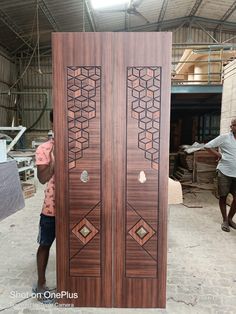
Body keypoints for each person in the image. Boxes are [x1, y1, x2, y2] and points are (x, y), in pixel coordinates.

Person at [33, 110, 55, 302]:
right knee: (45, 245)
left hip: (74, 208)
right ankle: (41, 284)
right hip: (51, 208)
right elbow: (42, 179)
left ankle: (73, 283)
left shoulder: (79, 147)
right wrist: (54, 161)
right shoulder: (43, 149)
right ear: (52, 123)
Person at [204, 118, 236, 232]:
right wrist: (219, 155)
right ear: (231, 127)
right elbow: (207, 146)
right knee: (223, 196)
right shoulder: (225, 137)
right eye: (233, 125)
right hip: (224, 172)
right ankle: (225, 220)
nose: (234, 127)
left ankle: (231, 219)